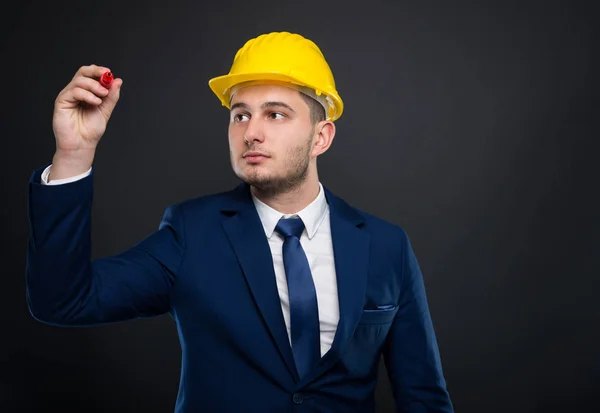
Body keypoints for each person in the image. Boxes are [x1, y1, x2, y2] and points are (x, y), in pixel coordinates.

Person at [26, 31, 454, 412]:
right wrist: (73, 154)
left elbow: (423, 397)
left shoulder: (385, 246)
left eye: (276, 114)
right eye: (240, 114)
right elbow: (63, 300)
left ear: (320, 137)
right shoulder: (191, 233)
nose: (252, 132)